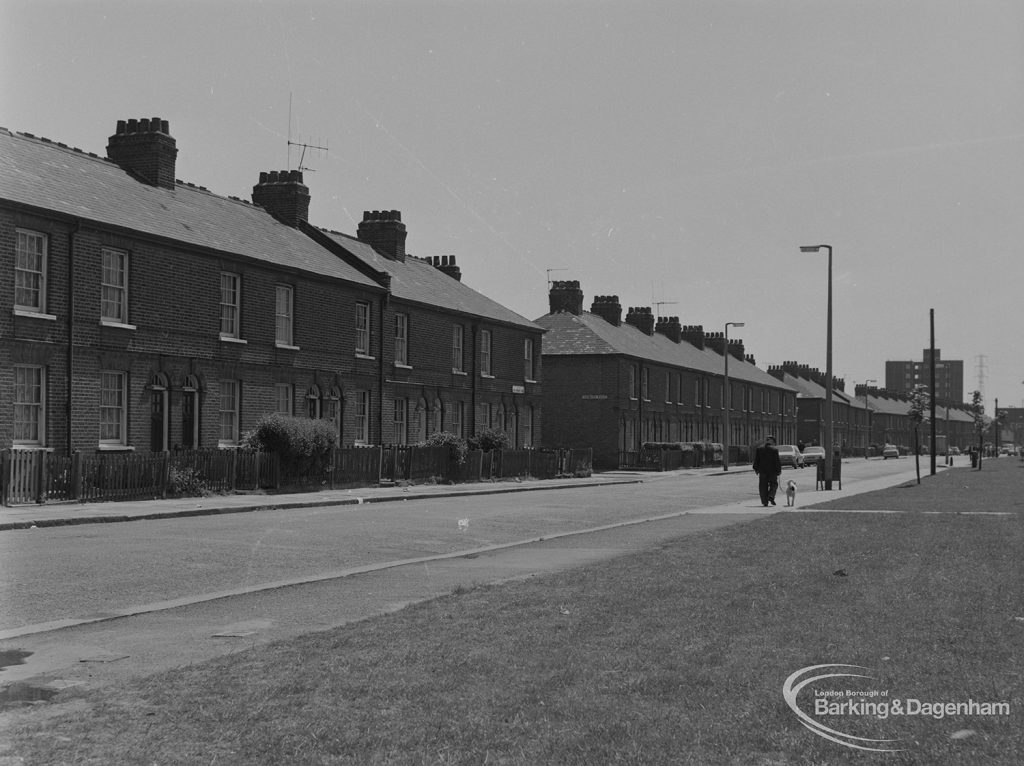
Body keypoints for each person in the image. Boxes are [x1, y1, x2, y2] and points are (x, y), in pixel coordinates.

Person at [753, 435, 782, 507]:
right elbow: (777, 461)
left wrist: (756, 469)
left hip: (762, 471)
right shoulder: (774, 450)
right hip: (773, 471)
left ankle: (764, 501)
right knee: (774, 484)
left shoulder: (759, 449)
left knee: (762, 486)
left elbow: (756, 460)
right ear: (771, 442)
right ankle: (771, 496)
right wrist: (779, 470)